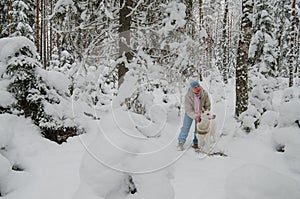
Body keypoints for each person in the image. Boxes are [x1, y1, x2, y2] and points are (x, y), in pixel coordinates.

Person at [177, 80, 211, 151]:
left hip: (201, 113)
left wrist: (205, 112)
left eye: (198, 86)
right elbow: (188, 109)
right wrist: (195, 116)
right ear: (191, 88)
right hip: (190, 113)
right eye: (195, 87)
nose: (197, 88)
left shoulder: (204, 94)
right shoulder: (188, 96)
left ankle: (196, 141)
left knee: (198, 128)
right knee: (185, 127)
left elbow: (208, 105)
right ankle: (181, 141)